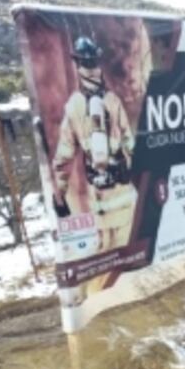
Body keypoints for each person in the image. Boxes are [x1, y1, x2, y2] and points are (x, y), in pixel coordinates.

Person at [52, 36, 137, 252]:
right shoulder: (112, 100)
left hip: (98, 195)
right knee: (123, 247)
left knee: (105, 252)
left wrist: (59, 195)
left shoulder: (74, 105)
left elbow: (64, 155)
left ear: (78, 64)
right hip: (120, 192)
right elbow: (129, 141)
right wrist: (135, 169)